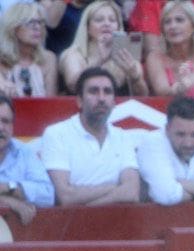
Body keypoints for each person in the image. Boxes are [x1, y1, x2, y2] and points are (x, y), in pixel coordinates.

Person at [41, 67, 139, 206]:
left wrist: (91, 206)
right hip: (70, 219)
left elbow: (132, 192)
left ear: (114, 103)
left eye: (107, 92)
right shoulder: (57, 134)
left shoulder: (123, 137)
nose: (101, 98)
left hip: (117, 218)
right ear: (79, 101)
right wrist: (114, 188)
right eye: (93, 91)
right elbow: (65, 196)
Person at [136, 97, 194, 206]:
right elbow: (165, 195)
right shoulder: (152, 143)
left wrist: (177, 183)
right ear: (167, 129)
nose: (188, 143)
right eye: (180, 134)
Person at [58, 1, 148, 96]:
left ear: (118, 27)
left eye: (112, 20)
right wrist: (99, 60)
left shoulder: (126, 55)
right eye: (99, 20)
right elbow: (73, 86)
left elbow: (143, 96)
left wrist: (135, 77)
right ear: (87, 28)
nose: (107, 24)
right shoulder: (73, 54)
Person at [0, 94, 54, 233]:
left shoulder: (24, 152)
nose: (1, 127)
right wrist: (9, 202)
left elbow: (48, 195)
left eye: (6, 121)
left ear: (12, 126)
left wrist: (10, 187)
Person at [0, 2, 58, 97]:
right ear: (13, 28)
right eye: (30, 22)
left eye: (40, 22)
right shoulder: (2, 59)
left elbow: (51, 101)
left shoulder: (48, 59)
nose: (37, 27)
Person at [129, 0, 194, 57]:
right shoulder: (147, 2)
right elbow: (152, 50)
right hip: (161, 64)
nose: (173, 26)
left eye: (179, 20)